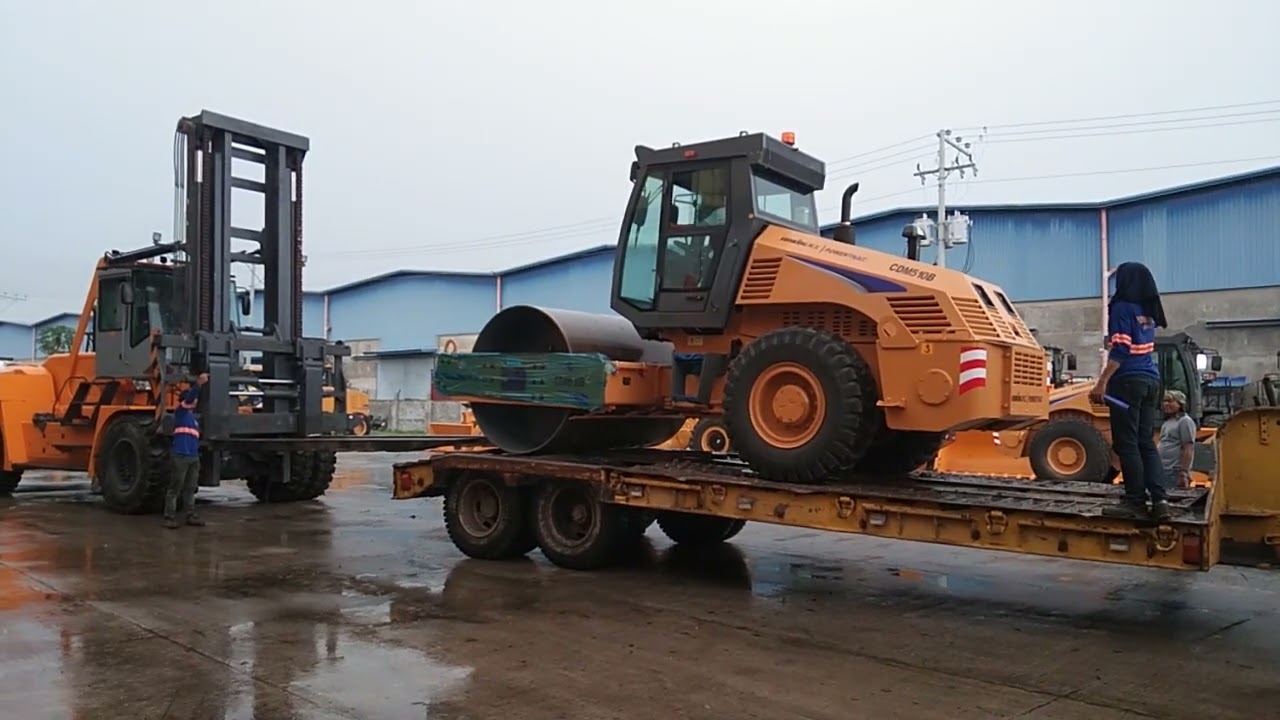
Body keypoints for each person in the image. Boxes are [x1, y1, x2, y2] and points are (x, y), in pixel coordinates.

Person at [1089, 261, 1170, 521]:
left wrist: (1101, 382)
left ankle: (1135, 501)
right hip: (1150, 382)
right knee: (1146, 442)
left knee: (1127, 443)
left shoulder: (1122, 308)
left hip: (1127, 383)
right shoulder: (1147, 312)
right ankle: (1160, 501)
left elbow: (1121, 350)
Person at [165, 372, 209, 529]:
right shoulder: (181, 413)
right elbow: (190, 398)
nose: (195, 401)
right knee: (175, 488)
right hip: (181, 456)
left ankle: (190, 515)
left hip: (192, 457)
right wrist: (199, 384)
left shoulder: (193, 419)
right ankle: (169, 517)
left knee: (190, 488)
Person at [1158, 390, 1197, 489]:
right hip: (1163, 468)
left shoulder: (1185, 421)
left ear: (1180, 404)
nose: (1166, 404)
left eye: (1170, 401)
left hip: (1174, 471)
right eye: (1165, 401)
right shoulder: (1168, 422)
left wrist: (1183, 471)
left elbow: (1188, 448)